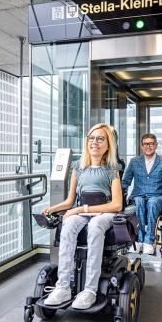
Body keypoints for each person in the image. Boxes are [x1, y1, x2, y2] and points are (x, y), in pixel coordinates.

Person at [41, 123, 123, 309]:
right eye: (91, 138)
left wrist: (81, 209)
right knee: (68, 224)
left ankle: (90, 291)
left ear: (108, 144)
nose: (95, 142)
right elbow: (70, 201)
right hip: (83, 213)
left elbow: (117, 205)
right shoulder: (78, 167)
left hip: (105, 213)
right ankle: (63, 287)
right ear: (87, 142)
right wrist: (53, 208)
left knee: (95, 227)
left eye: (100, 138)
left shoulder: (112, 168)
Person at [121, 133, 162, 255]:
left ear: (156, 145)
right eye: (145, 144)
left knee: (152, 202)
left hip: (158, 197)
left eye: (151, 144)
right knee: (138, 201)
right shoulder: (134, 162)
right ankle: (139, 240)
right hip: (138, 196)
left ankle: (149, 240)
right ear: (142, 146)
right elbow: (125, 182)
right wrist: (117, 199)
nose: (148, 146)